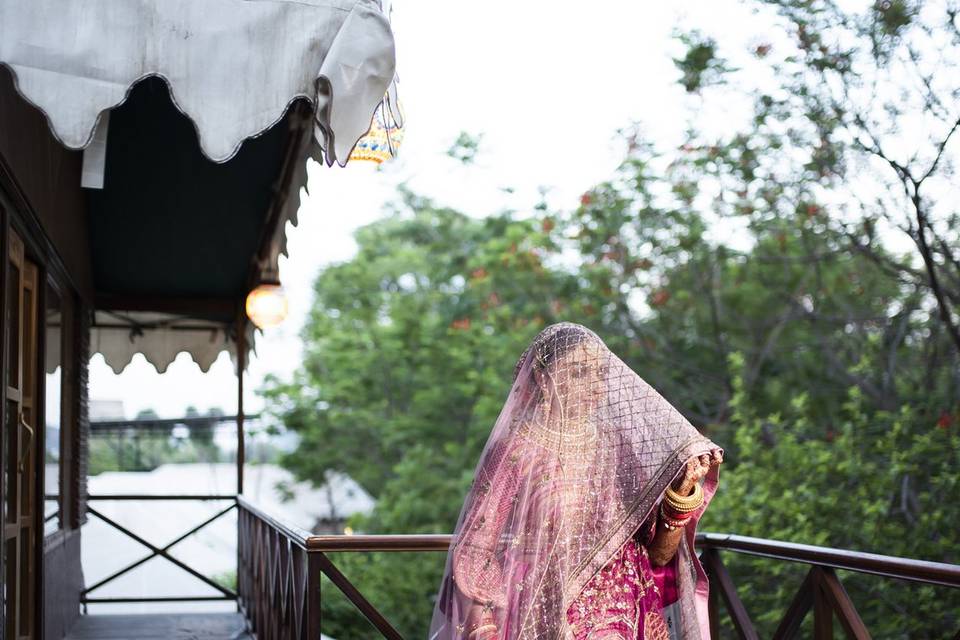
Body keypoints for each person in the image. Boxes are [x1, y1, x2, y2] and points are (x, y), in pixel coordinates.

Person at [429, 323, 723, 640]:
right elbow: (476, 547)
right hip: (543, 614)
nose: (596, 386)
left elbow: (659, 556)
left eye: (598, 373)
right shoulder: (516, 452)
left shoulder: (616, 449)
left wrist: (679, 499)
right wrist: (483, 623)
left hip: (626, 614)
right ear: (542, 378)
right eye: (579, 372)